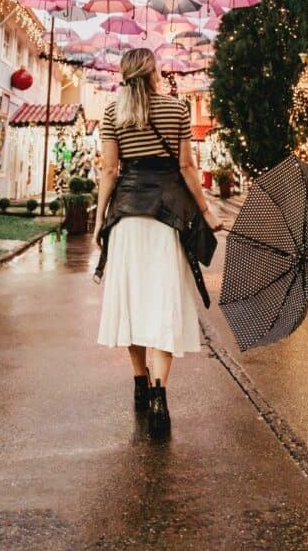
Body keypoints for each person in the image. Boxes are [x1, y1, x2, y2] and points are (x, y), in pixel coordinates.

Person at [93, 48, 223, 438]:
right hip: (167, 219)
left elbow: (110, 171)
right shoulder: (177, 110)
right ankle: (159, 395)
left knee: (132, 302)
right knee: (163, 303)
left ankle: (138, 379)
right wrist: (207, 212)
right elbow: (185, 167)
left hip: (128, 218)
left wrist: (101, 219)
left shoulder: (113, 112)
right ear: (153, 73)